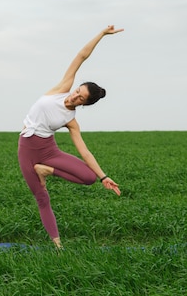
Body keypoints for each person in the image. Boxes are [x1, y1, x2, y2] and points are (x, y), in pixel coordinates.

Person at [18, 25, 123, 249]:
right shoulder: (62, 88)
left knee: (89, 178)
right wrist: (102, 34)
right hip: (27, 149)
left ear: (84, 104)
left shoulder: (71, 121)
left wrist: (104, 177)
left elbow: (84, 152)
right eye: (78, 91)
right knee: (42, 198)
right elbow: (81, 56)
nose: (75, 97)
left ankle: (46, 170)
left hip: (48, 151)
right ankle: (58, 245)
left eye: (80, 99)